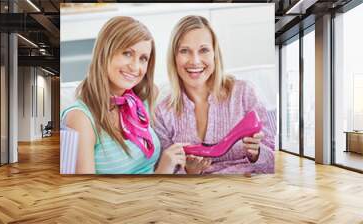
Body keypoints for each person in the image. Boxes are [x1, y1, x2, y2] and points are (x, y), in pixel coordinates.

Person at [61, 16, 187, 174]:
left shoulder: (143, 100)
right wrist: (163, 171)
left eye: (143, 58)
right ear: (105, 52)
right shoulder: (80, 119)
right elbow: (84, 194)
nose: (135, 67)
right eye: (127, 53)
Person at [154, 15, 275, 174]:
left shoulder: (244, 93)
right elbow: (165, 172)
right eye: (185, 51)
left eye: (203, 50)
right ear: (174, 57)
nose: (195, 61)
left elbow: (274, 161)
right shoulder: (163, 112)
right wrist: (190, 173)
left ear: (214, 55)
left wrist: (257, 154)